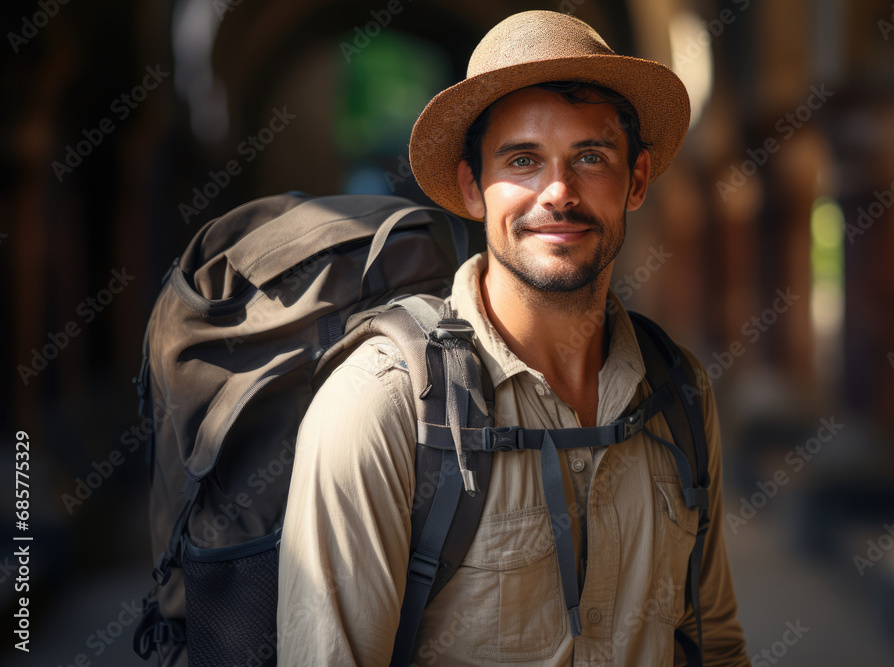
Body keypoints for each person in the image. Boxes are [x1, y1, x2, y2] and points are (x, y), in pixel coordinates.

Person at [278, 10, 749, 666]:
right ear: (473, 188)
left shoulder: (678, 394)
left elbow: (715, 641)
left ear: (636, 180)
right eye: (523, 159)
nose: (558, 190)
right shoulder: (382, 410)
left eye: (591, 155)